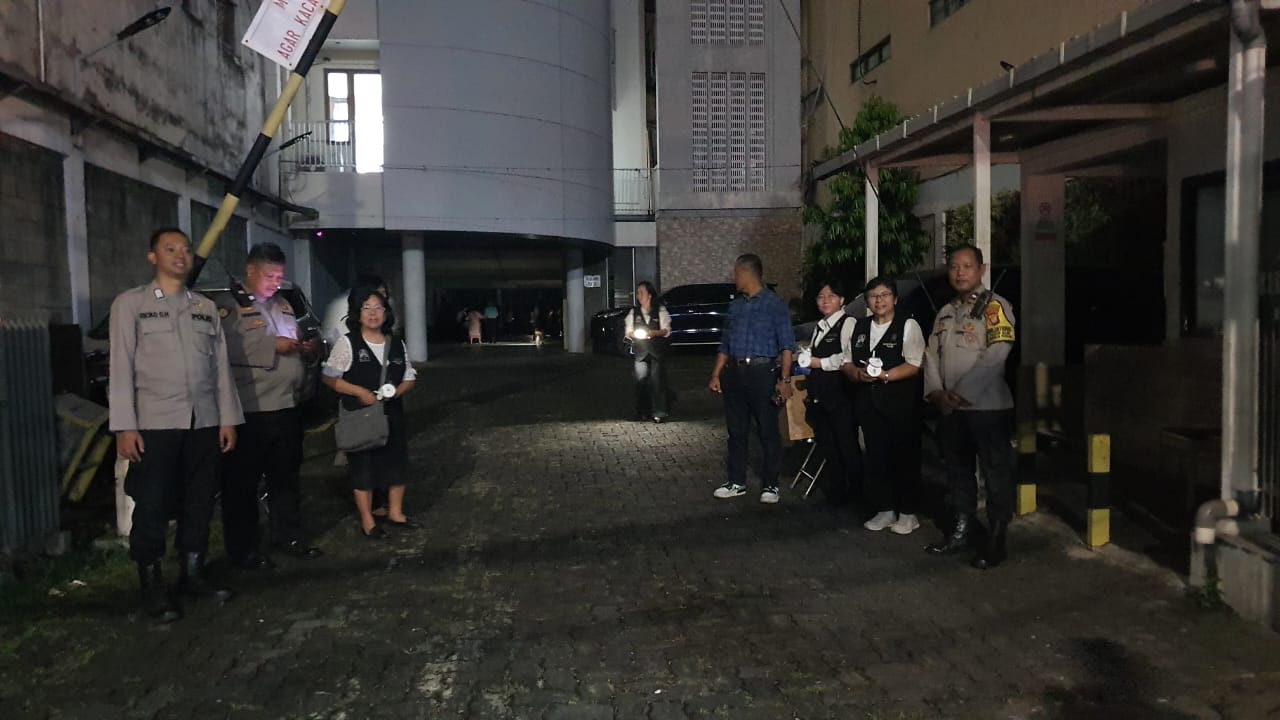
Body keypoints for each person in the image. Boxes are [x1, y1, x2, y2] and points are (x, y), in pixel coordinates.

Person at [109, 228, 243, 621]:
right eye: (170, 249)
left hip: (203, 421)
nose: (180, 255)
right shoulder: (131, 305)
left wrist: (227, 418)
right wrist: (124, 426)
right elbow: (120, 367)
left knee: (199, 501)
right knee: (152, 504)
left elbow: (220, 368)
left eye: (185, 249)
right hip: (155, 423)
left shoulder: (204, 307)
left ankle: (192, 572)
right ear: (153, 257)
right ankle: (152, 585)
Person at [216, 243, 323, 571]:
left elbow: (294, 338)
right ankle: (244, 549)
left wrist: (305, 348)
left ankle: (287, 535)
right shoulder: (230, 307)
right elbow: (225, 349)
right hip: (252, 409)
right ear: (251, 271)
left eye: (279, 276)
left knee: (285, 477)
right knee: (243, 484)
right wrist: (272, 346)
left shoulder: (283, 305)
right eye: (269, 276)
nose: (276, 282)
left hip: (287, 405)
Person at [922, 244, 1018, 569]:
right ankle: (962, 530)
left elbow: (998, 352)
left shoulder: (995, 306)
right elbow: (931, 355)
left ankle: (997, 538)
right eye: (954, 266)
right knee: (958, 472)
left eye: (966, 266)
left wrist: (962, 393)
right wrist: (936, 393)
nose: (960, 272)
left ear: (981, 270)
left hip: (987, 408)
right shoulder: (946, 312)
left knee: (995, 473)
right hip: (951, 411)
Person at [322, 286, 419, 538]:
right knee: (363, 468)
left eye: (378, 308)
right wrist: (358, 391)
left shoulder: (396, 343)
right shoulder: (348, 343)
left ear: (386, 313)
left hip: (391, 414)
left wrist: (396, 392)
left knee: (396, 463)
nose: (373, 313)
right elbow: (330, 377)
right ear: (358, 313)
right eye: (367, 308)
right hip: (361, 416)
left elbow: (409, 376)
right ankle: (368, 521)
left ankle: (396, 512)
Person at [709, 254, 796, 504]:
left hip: (762, 372)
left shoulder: (774, 305)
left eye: (736, 273)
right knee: (736, 430)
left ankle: (771, 484)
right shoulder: (735, 306)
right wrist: (716, 374)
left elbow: (787, 346)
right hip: (735, 372)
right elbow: (725, 344)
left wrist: (785, 380)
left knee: (767, 429)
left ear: (747, 274)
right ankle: (736, 481)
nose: (734, 278)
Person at [847, 276, 925, 535]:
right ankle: (884, 508)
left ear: (895, 298)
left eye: (884, 295)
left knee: (904, 456)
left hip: (900, 403)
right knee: (876, 456)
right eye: (873, 296)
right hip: (868, 403)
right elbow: (847, 362)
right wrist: (857, 374)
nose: (878, 300)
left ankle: (908, 512)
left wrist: (887, 375)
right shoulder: (859, 327)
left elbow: (915, 363)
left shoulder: (908, 325)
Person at [799, 281, 860, 506]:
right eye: (821, 296)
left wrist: (820, 362)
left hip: (840, 395)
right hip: (820, 395)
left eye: (831, 296)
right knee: (829, 445)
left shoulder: (848, 323)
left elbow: (847, 357)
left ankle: (856, 493)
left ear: (842, 300)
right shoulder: (820, 326)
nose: (825, 301)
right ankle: (837, 493)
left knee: (846, 445)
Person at [626, 281, 672, 423]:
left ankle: (659, 412)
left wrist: (654, 333)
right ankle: (642, 411)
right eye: (638, 293)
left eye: (641, 292)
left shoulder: (660, 310)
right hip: (640, 351)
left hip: (656, 350)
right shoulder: (634, 312)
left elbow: (666, 330)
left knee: (657, 380)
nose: (638, 296)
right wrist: (634, 334)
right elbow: (628, 332)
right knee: (640, 381)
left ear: (649, 295)